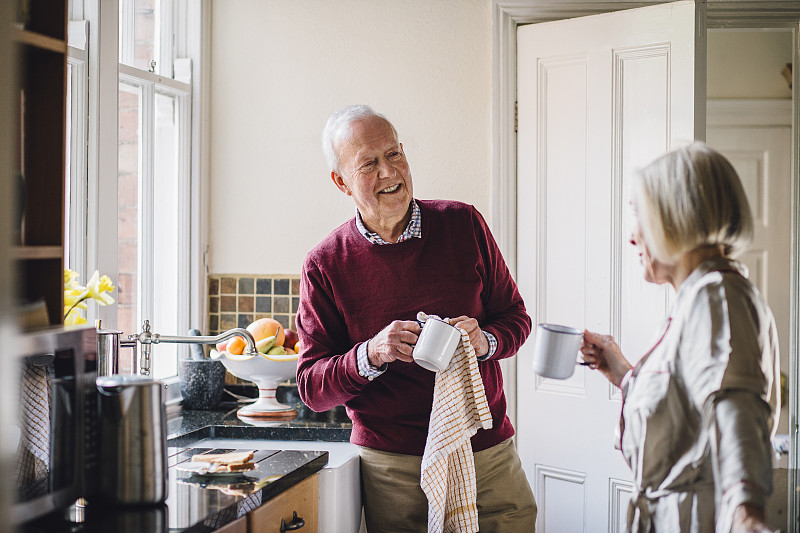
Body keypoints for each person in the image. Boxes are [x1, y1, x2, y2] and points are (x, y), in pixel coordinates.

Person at [296, 105, 537, 532]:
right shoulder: (325, 264)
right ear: (341, 182)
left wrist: (485, 342)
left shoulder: (463, 224)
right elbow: (312, 387)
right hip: (393, 467)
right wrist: (371, 354)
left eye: (395, 154)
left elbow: (515, 318)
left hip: (486, 453)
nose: (389, 172)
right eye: (369, 164)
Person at [579, 142, 780, 533]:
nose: (633, 237)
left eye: (640, 215)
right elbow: (688, 412)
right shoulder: (698, 298)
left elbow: (735, 408)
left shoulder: (716, 296)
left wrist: (746, 514)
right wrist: (622, 372)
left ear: (676, 218)